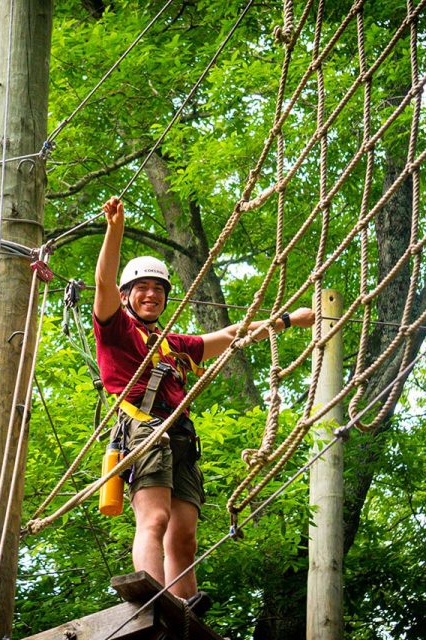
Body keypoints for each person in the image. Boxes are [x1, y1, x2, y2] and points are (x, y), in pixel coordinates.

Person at [92, 195, 314, 612]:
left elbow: (232, 336)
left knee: (185, 535)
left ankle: (185, 604)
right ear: (126, 296)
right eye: (141, 288)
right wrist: (115, 230)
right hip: (145, 428)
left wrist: (285, 321)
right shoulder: (116, 328)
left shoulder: (173, 344)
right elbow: (103, 283)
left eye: (158, 289)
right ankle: (153, 601)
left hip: (180, 436)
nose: (151, 295)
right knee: (154, 519)